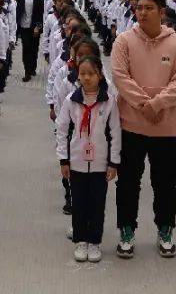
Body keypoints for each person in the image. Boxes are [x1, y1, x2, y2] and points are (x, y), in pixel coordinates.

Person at [111, 0, 176, 259]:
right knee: (128, 182)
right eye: (138, 7)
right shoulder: (124, 41)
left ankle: (165, 229)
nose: (141, 13)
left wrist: (156, 105)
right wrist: (146, 106)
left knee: (165, 184)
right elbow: (120, 78)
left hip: (165, 127)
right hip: (131, 125)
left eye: (148, 8)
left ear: (162, 11)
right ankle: (126, 229)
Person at [56, 52, 121, 263]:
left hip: (101, 163)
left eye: (91, 73)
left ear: (100, 75)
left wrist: (113, 162)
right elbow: (62, 131)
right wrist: (63, 159)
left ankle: (94, 241)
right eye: (82, 73)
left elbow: (115, 133)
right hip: (76, 162)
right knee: (79, 203)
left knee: (97, 203)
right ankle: (80, 240)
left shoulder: (109, 102)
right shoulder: (71, 101)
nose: (86, 78)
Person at [16, 0, 45, 82]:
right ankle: (27, 72)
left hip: (34, 27)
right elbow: (19, 11)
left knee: (34, 48)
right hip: (24, 26)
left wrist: (38, 27)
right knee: (26, 49)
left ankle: (32, 67)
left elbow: (40, 13)